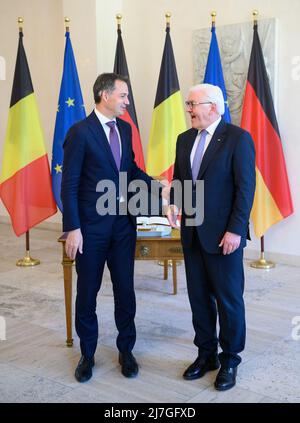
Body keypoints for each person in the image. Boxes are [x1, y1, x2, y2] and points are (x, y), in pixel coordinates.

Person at [61, 73, 164, 383]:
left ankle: (126, 350)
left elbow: (130, 170)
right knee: (87, 293)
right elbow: (70, 184)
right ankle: (87, 354)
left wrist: (158, 186)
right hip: (90, 230)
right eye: (123, 96)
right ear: (105, 95)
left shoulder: (125, 129)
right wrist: (73, 227)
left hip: (122, 226)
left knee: (125, 290)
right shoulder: (80, 133)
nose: (127, 102)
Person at [166, 83, 255, 391]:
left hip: (223, 237)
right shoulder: (184, 139)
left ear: (213, 107)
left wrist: (235, 230)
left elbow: (245, 190)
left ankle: (230, 359)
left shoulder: (238, 139)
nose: (189, 109)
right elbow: (179, 178)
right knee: (199, 298)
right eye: (188, 104)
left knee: (229, 301)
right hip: (192, 234)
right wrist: (174, 202)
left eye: (193, 104)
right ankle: (206, 354)